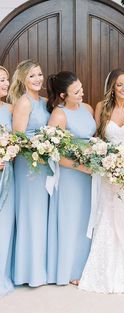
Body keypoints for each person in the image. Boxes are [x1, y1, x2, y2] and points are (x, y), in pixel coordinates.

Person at [79, 69, 124, 293]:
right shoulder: (102, 107)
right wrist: (104, 161)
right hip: (107, 172)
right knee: (107, 215)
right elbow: (98, 139)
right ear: (112, 87)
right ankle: (104, 268)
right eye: (120, 85)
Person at [46, 71, 96, 285]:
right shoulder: (59, 115)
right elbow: (53, 154)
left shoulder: (87, 108)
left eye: (81, 88)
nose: (81, 93)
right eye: (76, 91)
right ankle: (68, 271)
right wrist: (81, 167)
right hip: (70, 176)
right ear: (63, 95)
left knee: (87, 220)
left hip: (90, 173)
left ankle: (85, 268)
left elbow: (92, 138)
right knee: (71, 220)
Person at [8, 59, 50, 286]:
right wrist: (40, 146)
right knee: (30, 215)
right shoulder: (24, 103)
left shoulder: (44, 102)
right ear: (24, 78)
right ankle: (28, 273)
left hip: (45, 165)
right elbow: (18, 138)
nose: (38, 79)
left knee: (42, 215)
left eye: (40, 74)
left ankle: (40, 268)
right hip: (28, 167)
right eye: (32, 75)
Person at [0, 66, 15, 297]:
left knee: (5, 224)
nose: (5, 84)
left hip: (8, 172)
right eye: (1, 80)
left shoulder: (11, 109)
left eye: (6, 79)